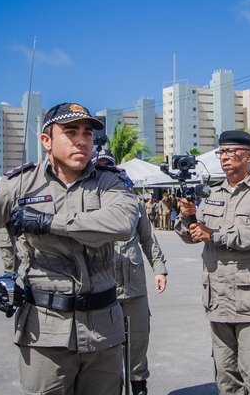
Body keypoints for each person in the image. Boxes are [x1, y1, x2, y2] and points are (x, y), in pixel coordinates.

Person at [0, 102, 140, 394]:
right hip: (45, 332)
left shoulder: (110, 181)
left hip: (104, 330)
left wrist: (49, 222)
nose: (81, 140)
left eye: (87, 133)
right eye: (71, 132)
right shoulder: (19, 186)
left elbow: (122, 223)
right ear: (46, 141)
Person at [175, 129, 250, 395]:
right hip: (219, 297)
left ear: (249, 155)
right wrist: (189, 217)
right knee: (226, 378)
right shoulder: (213, 192)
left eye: (231, 151)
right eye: (221, 152)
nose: (224, 157)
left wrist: (213, 235)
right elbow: (191, 235)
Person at [94, 149, 168, 395]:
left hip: (135, 287)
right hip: (103, 288)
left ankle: (139, 387)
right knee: (106, 352)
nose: (106, 172)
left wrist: (159, 269)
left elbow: (148, 239)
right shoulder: (89, 202)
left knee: (138, 343)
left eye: (109, 167)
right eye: (100, 168)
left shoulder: (133, 202)